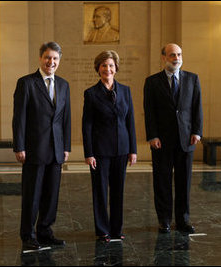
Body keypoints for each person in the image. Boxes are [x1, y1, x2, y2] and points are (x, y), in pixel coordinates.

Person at [12, 41, 71, 252]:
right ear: (40, 58)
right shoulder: (26, 83)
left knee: (51, 194)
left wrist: (66, 146)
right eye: (48, 57)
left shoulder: (64, 85)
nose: (51, 62)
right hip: (33, 148)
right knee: (32, 194)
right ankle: (28, 235)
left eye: (55, 58)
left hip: (56, 149)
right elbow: (19, 118)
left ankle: (45, 232)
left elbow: (66, 118)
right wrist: (19, 146)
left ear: (59, 61)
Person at [143, 43, 203, 234]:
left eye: (178, 54)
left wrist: (197, 131)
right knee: (162, 181)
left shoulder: (192, 79)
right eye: (171, 55)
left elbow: (197, 107)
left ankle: (183, 220)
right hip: (161, 140)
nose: (176, 58)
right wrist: (152, 135)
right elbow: (149, 111)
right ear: (164, 58)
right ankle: (164, 220)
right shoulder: (152, 82)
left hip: (186, 139)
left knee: (184, 182)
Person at [82, 50, 137, 243]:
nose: (108, 68)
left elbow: (130, 121)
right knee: (100, 191)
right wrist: (89, 153)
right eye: (104, 65)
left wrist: (133, 150)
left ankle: (116, 229)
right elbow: (87, 124)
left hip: (122, 149)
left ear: (116, 68)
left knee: (118, 190)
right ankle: (102, 230)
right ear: (98, 68)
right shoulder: (91, 93)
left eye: (111, 65)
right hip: (100, 151)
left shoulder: (126, 91)